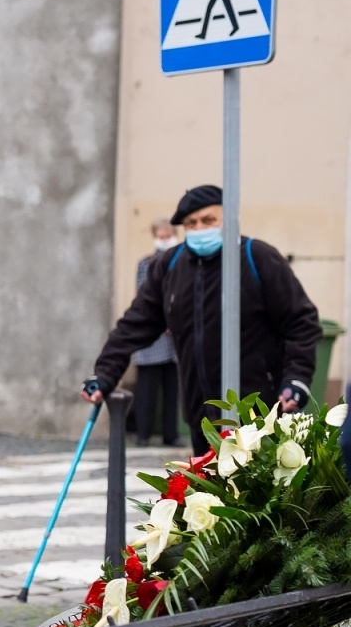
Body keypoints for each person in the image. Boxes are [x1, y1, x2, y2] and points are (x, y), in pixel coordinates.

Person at [86, 184, 321, 453]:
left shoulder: (258, 257)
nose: (200, 229)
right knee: (206, 495)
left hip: (260, 416)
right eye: (191, 223)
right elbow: (135, 324)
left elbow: (301, 323)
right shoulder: (171, 265)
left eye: (209, 220)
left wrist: (296, 378)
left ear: (229, 218)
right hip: (202, 419)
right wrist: (105, 373)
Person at [131, 217, 181, 447]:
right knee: (147, 390)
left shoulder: (182, 262)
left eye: (168, 235)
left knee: (173, 390)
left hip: (176, 340)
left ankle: (171, 435)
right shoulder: (147, 263)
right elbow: (145, 295)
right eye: (160, 236)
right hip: (153, 336)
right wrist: (164, 320)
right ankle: (144, 435)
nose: (165, 240)